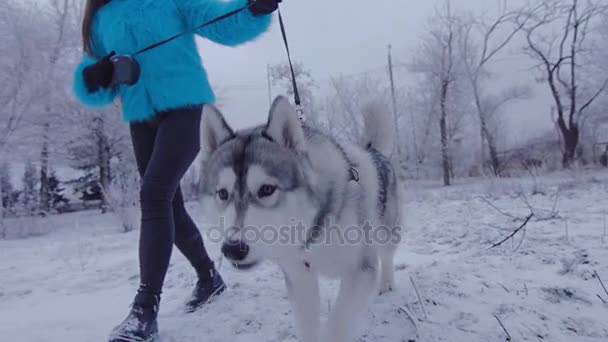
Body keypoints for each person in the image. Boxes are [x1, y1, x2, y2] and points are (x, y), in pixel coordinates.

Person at [72, 0, 281, 341]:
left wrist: (253, 10)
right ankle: (208, 277)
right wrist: (94, 77)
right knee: (167, 203)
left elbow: (220, 22)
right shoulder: (101, 16)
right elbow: (89, 72)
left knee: (153, 193)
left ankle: (144, 309)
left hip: (184, 107)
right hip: (141, 116)